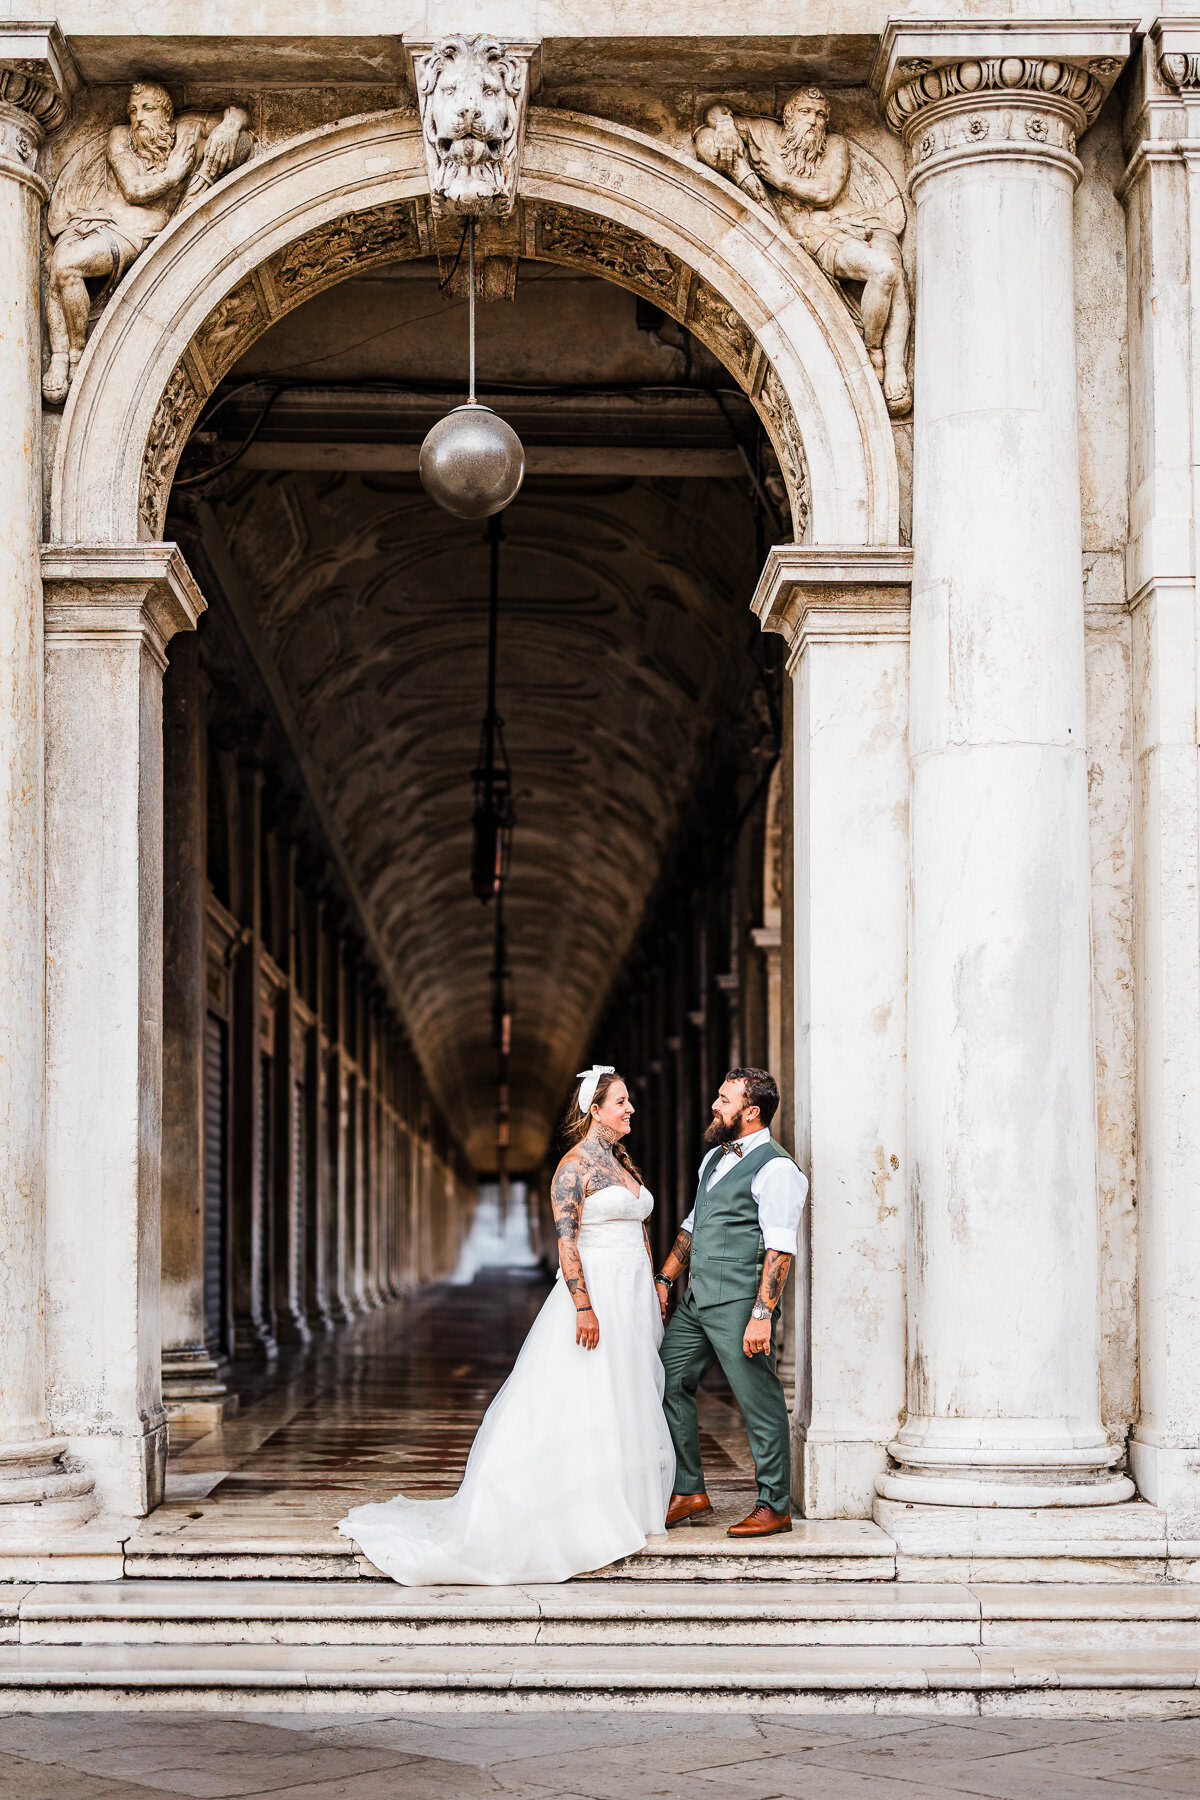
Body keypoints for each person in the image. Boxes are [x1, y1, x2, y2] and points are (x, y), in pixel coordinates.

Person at [337, 1065, 674, 1583]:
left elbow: (640, 1229)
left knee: (627, 1392)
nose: (631, 1109)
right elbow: (567, 1243)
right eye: (622, 1101)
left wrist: (654, 1283)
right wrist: (584, 1306)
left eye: (629, 1102)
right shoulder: (573, 1166)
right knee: (590, 1394)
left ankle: (623, 1499)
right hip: (599, 1293)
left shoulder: (622, 1163)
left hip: (633, 1295)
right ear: (594, 1109)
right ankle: (580, 1508)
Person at [655, 1068, 808, 1537]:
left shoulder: (777, 1169)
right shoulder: (713, 1160)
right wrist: (664, 1280)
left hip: (742, 1302)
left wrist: (762, 1315)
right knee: (665, 1377)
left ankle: (774, 1504)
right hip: (697, 1299)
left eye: (725, 1100)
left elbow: (781, 1248)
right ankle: (688, 1489)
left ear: (751, 1111)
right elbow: (692, 1226)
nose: (716, 1106)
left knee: (759, 1400)